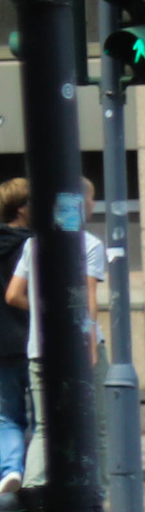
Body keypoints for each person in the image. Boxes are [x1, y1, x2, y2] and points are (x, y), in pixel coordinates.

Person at [4, 176, 104, 492]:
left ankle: (31, 492)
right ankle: (93, 496)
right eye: (90, 198)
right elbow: (86, 299)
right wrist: (85, 339)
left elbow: (13, 295)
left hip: (35, 348)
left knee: (39, 426)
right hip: (70, 347)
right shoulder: (86, 244)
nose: (92, 205)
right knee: (94, 425)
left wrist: (44, 312)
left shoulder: (35, 243)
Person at [0, 181, 31, 494]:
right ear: (22, 207)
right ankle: (37, 474)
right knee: (44, 416)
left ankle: (11, 470)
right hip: (33, 340)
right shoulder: (34, 245)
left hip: (1, 346)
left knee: (7, 417)